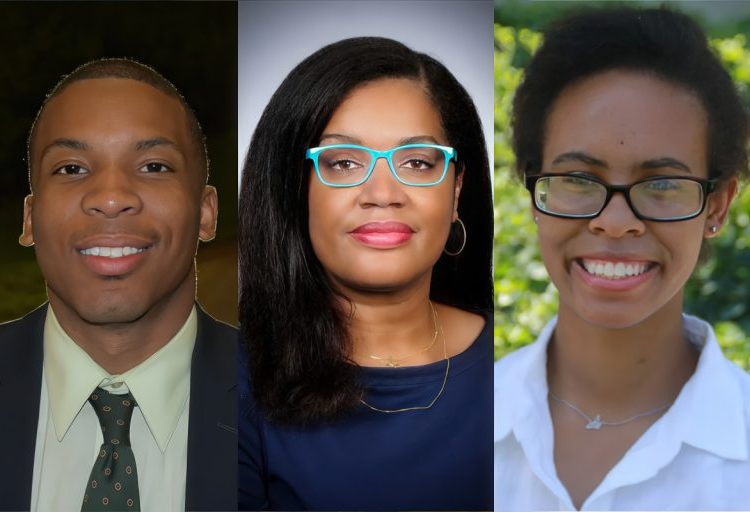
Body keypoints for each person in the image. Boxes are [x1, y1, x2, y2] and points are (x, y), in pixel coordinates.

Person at [495, 7, 750, 511]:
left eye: (661, 184)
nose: (614, 222)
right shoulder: (449, 423)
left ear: (716, 205)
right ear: (532, 191)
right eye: (576, 179)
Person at [237, 37, 494, 510]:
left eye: (417, 162)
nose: (382, 192)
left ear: (456, 189)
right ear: (297, 190)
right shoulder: (231, 383)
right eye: (343, 162)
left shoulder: (521, 366)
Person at [0, 59, 238, 511]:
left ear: (206, 212)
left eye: (154, 165)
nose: (111, 197)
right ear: (29, 219)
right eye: (71, 169)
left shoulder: (296, 405)